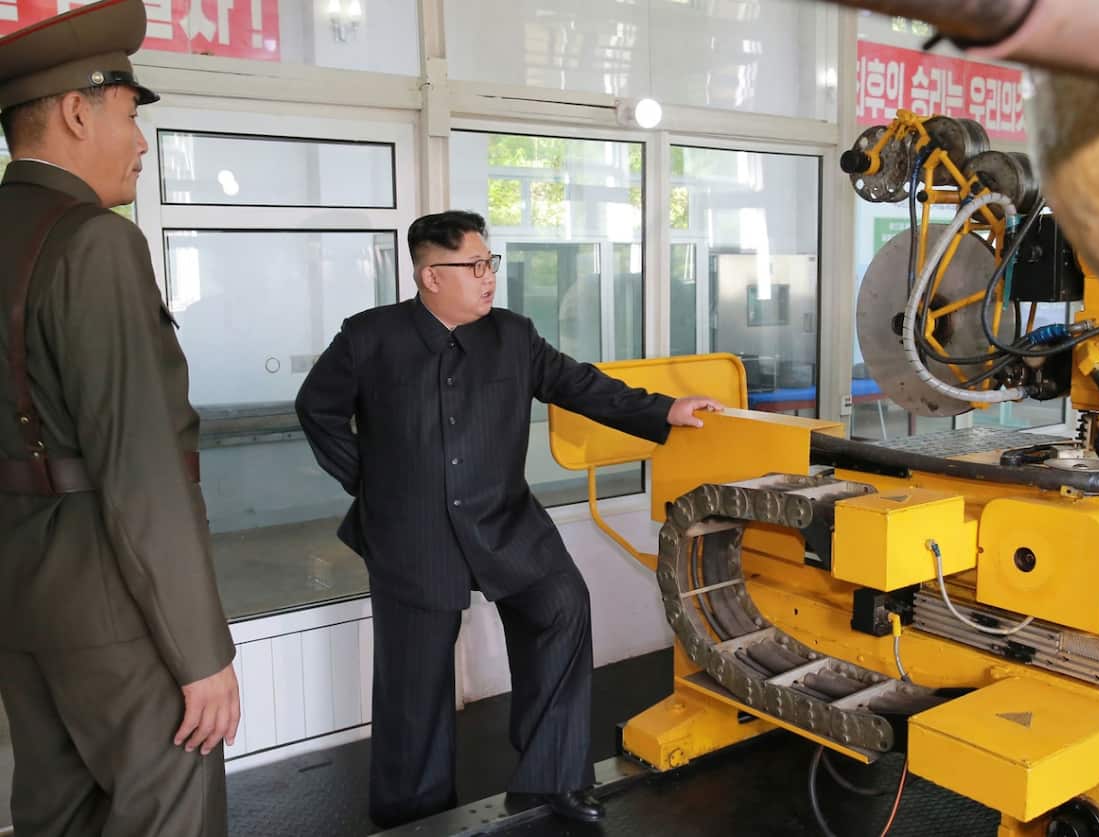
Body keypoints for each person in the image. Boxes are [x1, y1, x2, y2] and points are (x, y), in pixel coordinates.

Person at [296, 209, 722, 827]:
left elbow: (581, 385)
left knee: (562, 607)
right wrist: (374, 484)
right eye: (472, 266)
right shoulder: (369, 338)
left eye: (488, 262)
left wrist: (666, 410)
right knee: (413, 681)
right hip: (412, 536)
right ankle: (414, 814)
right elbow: (317, 410)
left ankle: (553, 779)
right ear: (430, 276)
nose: (488, 276)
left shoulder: (513, 335)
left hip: (505, 522)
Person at [0, 1, 240, 835]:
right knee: (167, 812)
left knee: (55, 815)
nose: (141, 142)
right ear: (76, 110)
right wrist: (202, 655)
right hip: (116, 611)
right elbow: (140, 468)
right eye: (131, 115)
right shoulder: (96, 243)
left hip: (24, 605)